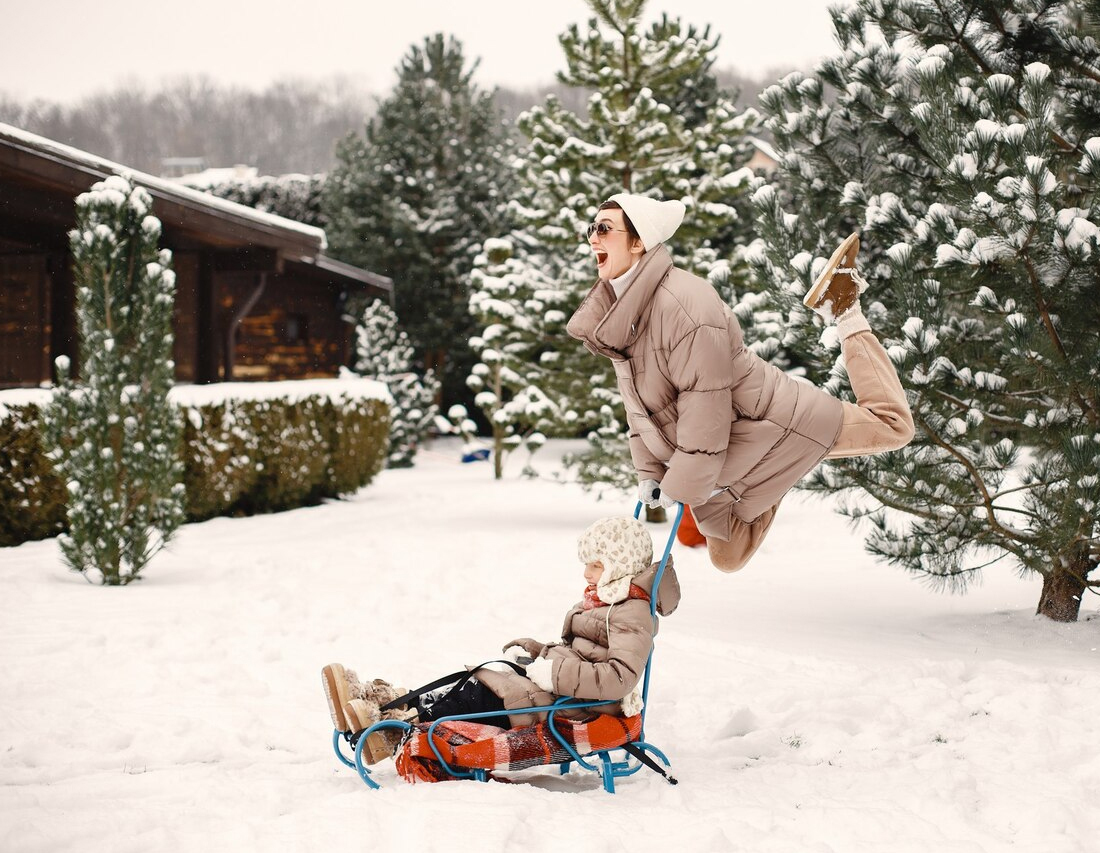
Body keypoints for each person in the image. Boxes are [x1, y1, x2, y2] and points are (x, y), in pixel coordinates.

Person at [567, 193, 915, 573]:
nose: (593, 238)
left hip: (778, 422)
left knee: (893, 426)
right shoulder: (625, 314)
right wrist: (650, 472)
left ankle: (846, 307)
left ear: (638, 242)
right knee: (728, 555)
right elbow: (639, 408)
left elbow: (707, 408)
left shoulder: (685, 304)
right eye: (591, 229)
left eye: (604, 229)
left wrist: (679, 484)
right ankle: (788, 467)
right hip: (737, 451)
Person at [321, 515, 680, 763]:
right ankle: (391, 703)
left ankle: (394, 730)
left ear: (621, 565)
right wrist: (541, 651)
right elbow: (584, 653)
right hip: (563, 689)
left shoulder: (630, 612)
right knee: (474, 683)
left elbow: (619, 678)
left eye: (596, 565)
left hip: (578, 705)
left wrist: (551, 674)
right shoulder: (606, 599)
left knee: (481, 696)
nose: (586, 572)